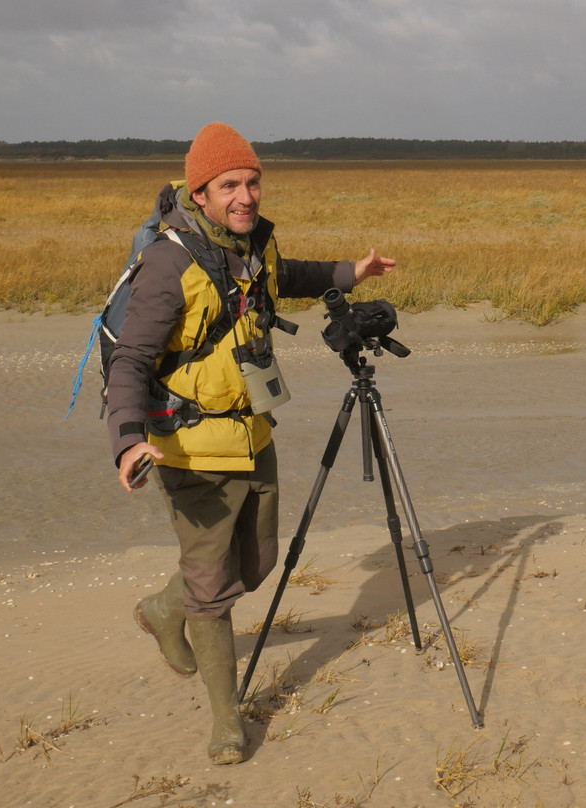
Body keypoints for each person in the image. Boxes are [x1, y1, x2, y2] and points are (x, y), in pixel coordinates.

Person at [106, 122, 394, 765]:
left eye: (252, 181)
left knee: (255, 565)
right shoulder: (169, 262)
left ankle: (160, 606)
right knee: (213, 588)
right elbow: (130, 362)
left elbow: (285, 274)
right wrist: (127, 440)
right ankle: (227, 720)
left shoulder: (253, 245)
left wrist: (352, 270)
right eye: (229, 184)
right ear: (200, 192)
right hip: (186, 448)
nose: (246, 195)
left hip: (253, 431)